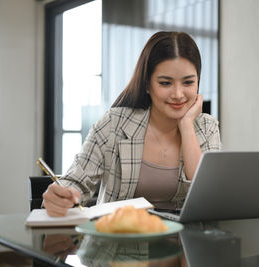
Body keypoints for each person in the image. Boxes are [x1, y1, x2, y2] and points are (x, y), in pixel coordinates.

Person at [43, 31, 222, 217]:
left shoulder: (207, 127)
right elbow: (76, 181)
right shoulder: (114, 123)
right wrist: (61, 194)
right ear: (147, 84)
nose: (178, 94)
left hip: (185, 243)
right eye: (165, 83)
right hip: (120, 239)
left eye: (188, 82)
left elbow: (210, 197)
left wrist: (186, 126)